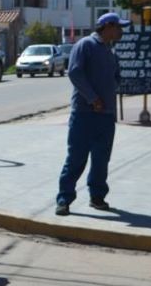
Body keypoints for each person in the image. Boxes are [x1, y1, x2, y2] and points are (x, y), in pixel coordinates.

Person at [55, 12, 130, 216]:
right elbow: (75, 73)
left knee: (101, 159)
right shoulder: (85, 45)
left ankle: (97, 197)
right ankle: (64, 199)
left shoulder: (110, 52)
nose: (121, 31)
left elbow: (117, 77)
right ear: (108, 26)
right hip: (84, 114)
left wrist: (108, 91)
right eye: (119, 27)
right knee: (76, 158)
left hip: (106, 116)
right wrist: (93, 98)